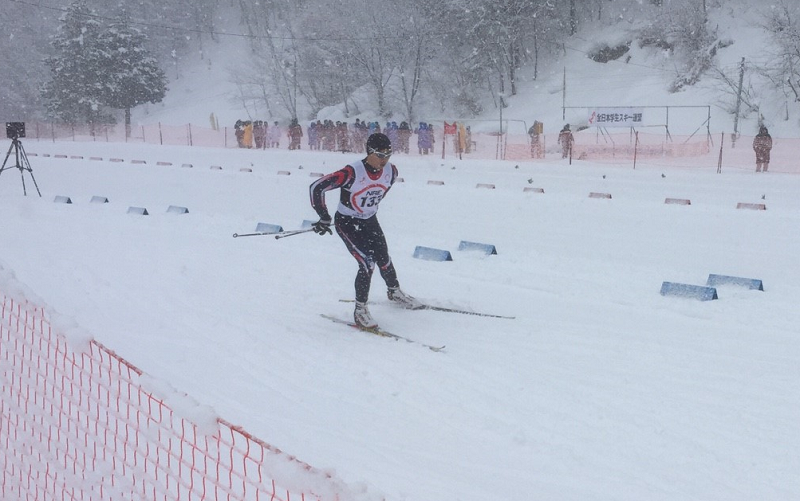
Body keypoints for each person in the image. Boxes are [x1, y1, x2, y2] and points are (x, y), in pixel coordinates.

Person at [309, 132, 422, 328]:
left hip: (369, 220)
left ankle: (394, 291)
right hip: (347, 222)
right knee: (367, 263)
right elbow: (316, 187)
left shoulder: (392, 172)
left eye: (388, 154)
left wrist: (369, 210)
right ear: (369, 152)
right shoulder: (352, 172)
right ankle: (360, 310)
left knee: (384, 258)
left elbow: (378, 194)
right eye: (380, 155)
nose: (384, 160)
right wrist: (324, 217)